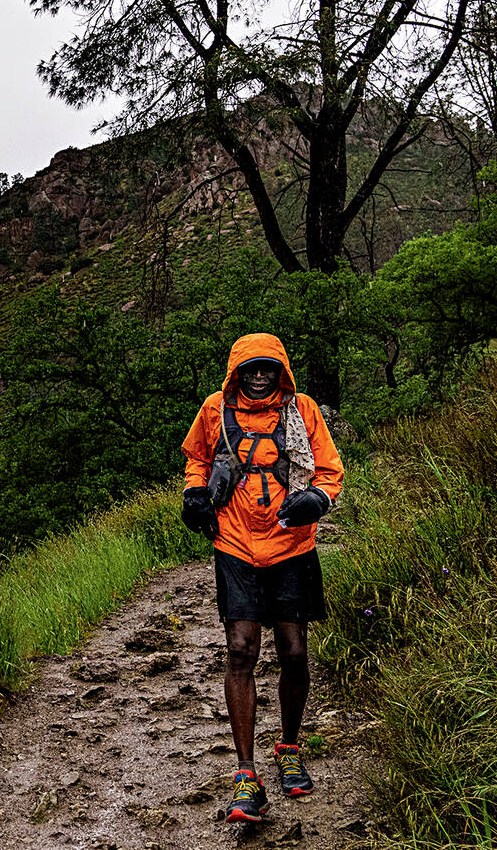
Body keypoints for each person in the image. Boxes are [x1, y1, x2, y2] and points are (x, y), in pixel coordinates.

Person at [178, 333, 344, 824]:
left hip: (293, 543)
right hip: (234, 542)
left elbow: (329, 471)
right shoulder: (214, 409)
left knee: (294, 650)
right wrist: (193, 496)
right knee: (241, 650)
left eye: (267, 368)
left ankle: (289, 747)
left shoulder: (303, 409)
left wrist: (318, 500)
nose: (258, 375)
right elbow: (197, 459)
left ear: (280, 371)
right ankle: (246, 776)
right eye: (250, 368)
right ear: (237, 371)